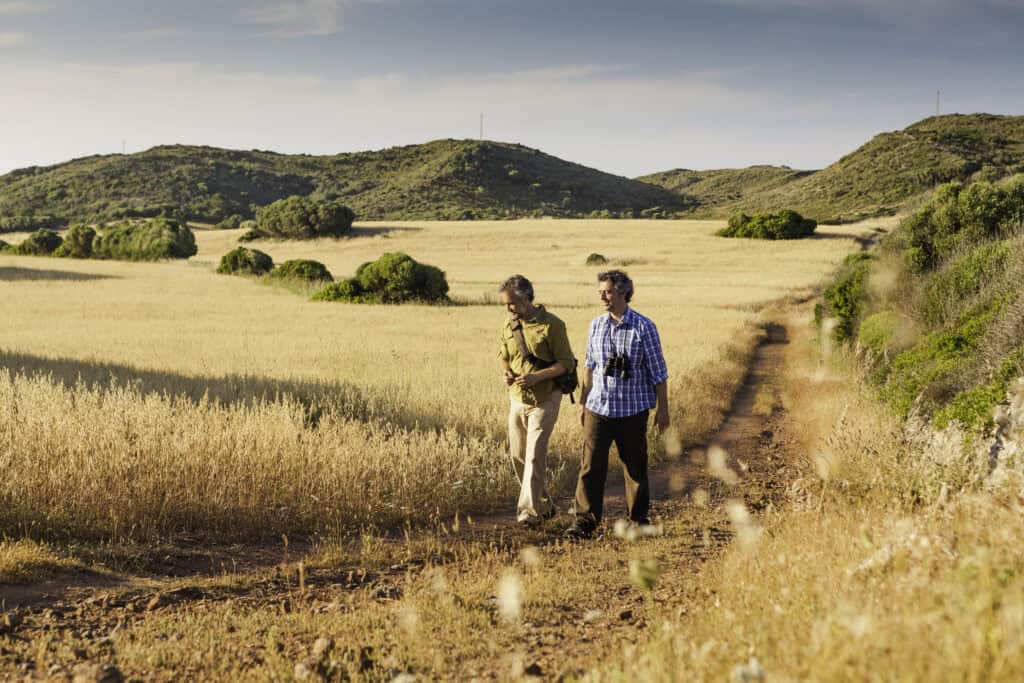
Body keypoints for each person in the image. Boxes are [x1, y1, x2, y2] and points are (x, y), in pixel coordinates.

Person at [566, 269, 669, 539]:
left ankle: (637, 520)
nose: (602, 296)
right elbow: (589, 366)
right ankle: (585, 521)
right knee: (590, 466)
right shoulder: (596, 325)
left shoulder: (644, 327)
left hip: (633, 410)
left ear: (624, 292)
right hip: (598, 408)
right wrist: (583, 403)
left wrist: (663, 410)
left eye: (608, 291)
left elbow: (659, 372)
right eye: (600, 291)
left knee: (634, 467)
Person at [497, 275, 576, 527]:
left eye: (512, 304)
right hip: (517, 399)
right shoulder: (509, 327)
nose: (508, 309)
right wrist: (507, 373)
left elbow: (566, 363)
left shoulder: (553, 325)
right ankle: (546, 507)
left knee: (534, 456)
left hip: (546, 399)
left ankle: (528, 512)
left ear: (526, 298)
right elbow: (503, 356)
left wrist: (536, 377)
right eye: (506, 304)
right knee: (518, 457)